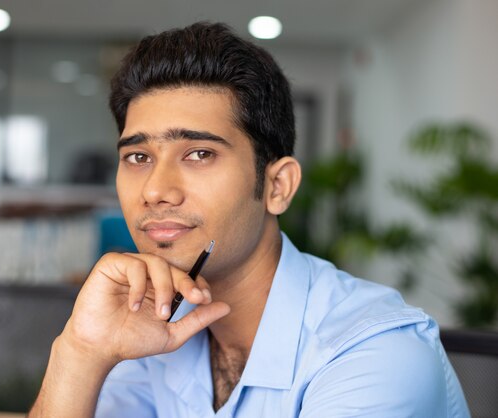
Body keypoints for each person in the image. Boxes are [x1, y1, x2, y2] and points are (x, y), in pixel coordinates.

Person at [29, 22, 469, 417]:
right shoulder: (147, 329)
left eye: (199, 154)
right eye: (138, 157)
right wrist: (81, 352)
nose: (154, 191)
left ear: (277, 186)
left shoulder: (373, 353)